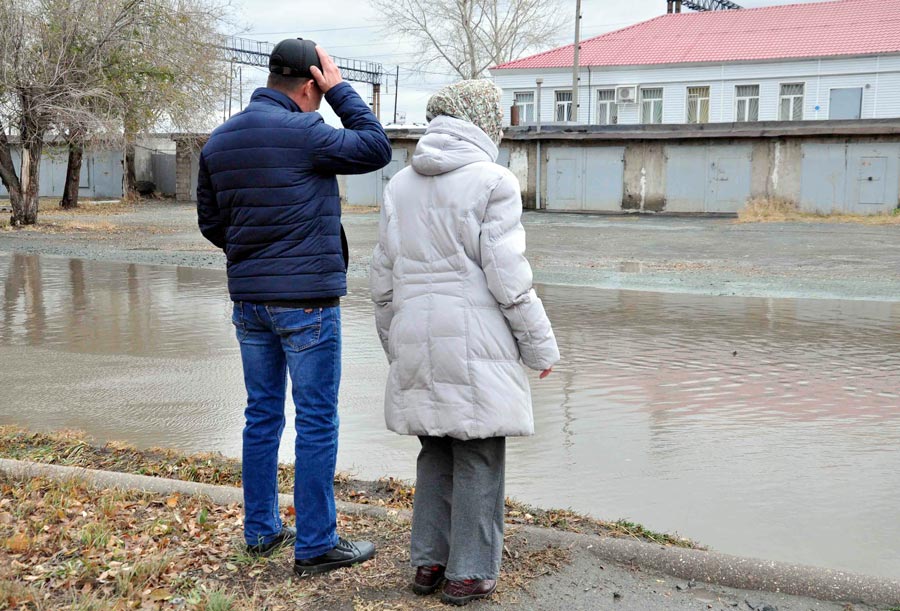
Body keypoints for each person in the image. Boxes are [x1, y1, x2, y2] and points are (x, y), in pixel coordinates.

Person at [197, 38, 392, 576]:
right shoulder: (307, 131)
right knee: (316, 421)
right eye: (319, 86)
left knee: (261, 415)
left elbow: (212, 224)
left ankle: (261, 532)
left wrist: (255, 254)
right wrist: (341, 92)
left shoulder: (219, 140)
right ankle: (315, 544)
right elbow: (376, 147)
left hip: (250, 303)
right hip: (306, 304)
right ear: (310, 84)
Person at [369, 80, 559, 605]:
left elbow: (381, 280)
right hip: (475, 343)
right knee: (477, 451)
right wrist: (539, 348)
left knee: (434, 448)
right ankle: (468, 572)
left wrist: (395, 343)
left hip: (416, 337)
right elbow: (509, 278)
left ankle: (428, 564)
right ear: (482, 122)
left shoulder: (399, 185)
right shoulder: (493, 182)